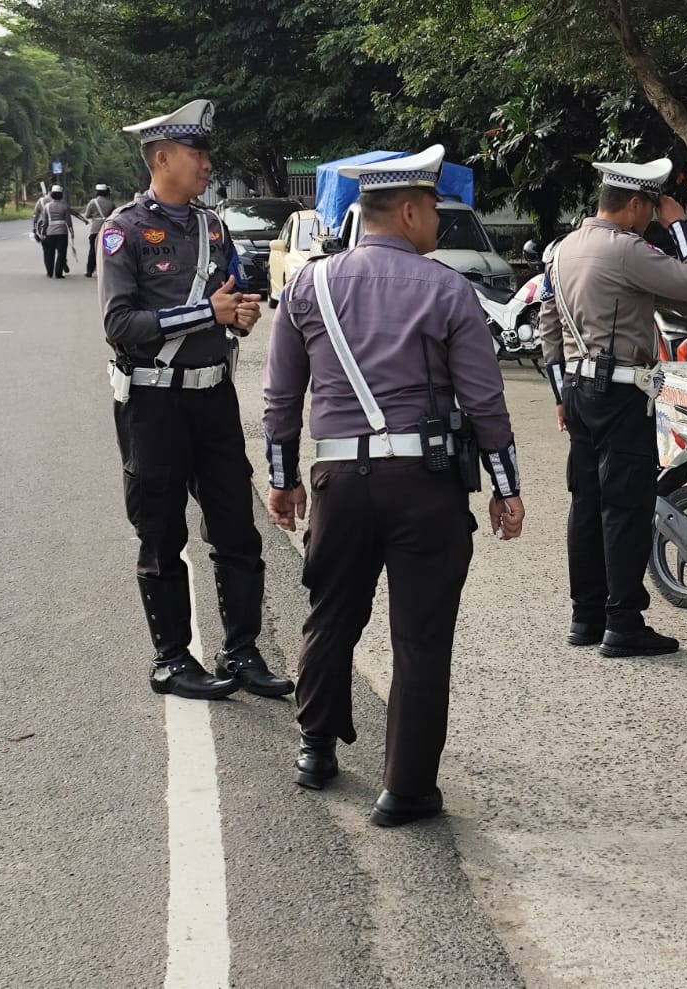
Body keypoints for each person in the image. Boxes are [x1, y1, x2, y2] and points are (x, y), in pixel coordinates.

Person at [262, 145, 524, 823]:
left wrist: (283, 480)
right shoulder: (447, 289)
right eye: (432, 207)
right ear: (408, 211)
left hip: (339, 481)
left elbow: (281, 397)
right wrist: (506, 486)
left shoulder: (308, 285)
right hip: (424, 484)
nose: (435, 219)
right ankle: (404, 790)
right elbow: (485, 402)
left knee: (331, 615)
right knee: (420, 637)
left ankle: (315, 748)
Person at [99, 98, 291, 701]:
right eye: (196, 153)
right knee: (161, 535)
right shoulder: (124, 230)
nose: (207, 163)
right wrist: (207, 312)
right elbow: (119, 325)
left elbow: (233, 297)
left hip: (213, 400)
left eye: (207, 153)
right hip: (152, 404)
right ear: (162, 158)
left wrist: (241, 315)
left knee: (237, 530)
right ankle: (172, 660)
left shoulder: (213, 227)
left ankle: (241, 652)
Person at [538, 156, 687, 658]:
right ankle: (624, 622)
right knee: (625, 506)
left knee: (586, 504)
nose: (651, 217)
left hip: (577, 388)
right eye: (651, 208)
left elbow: (550, 327)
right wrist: (679, 225)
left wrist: (560, 395)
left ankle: (586, 616)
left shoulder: (562, 249)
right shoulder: (626, 249)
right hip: (619, 393)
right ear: (635, 204)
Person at [33, 185, 78, 279]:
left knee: (50, 252)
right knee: (62, 253)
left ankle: (49, 272)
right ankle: (58, 273)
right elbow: (68, 221)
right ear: (61, 195)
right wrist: (72, 231)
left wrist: (43, 233)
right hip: (62, 232)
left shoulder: (47, 207)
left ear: (52, 195)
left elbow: (45, 222)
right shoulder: (64, 206)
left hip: (50, 232)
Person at [82, 183, 116, 278]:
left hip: (95, 229)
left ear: (97, 192)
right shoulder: (111, 203)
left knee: (93, 250)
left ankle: (89, 271)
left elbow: (87, 215)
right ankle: (107, 271)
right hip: (107, 228)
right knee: (107, 251)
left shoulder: (92, 202)